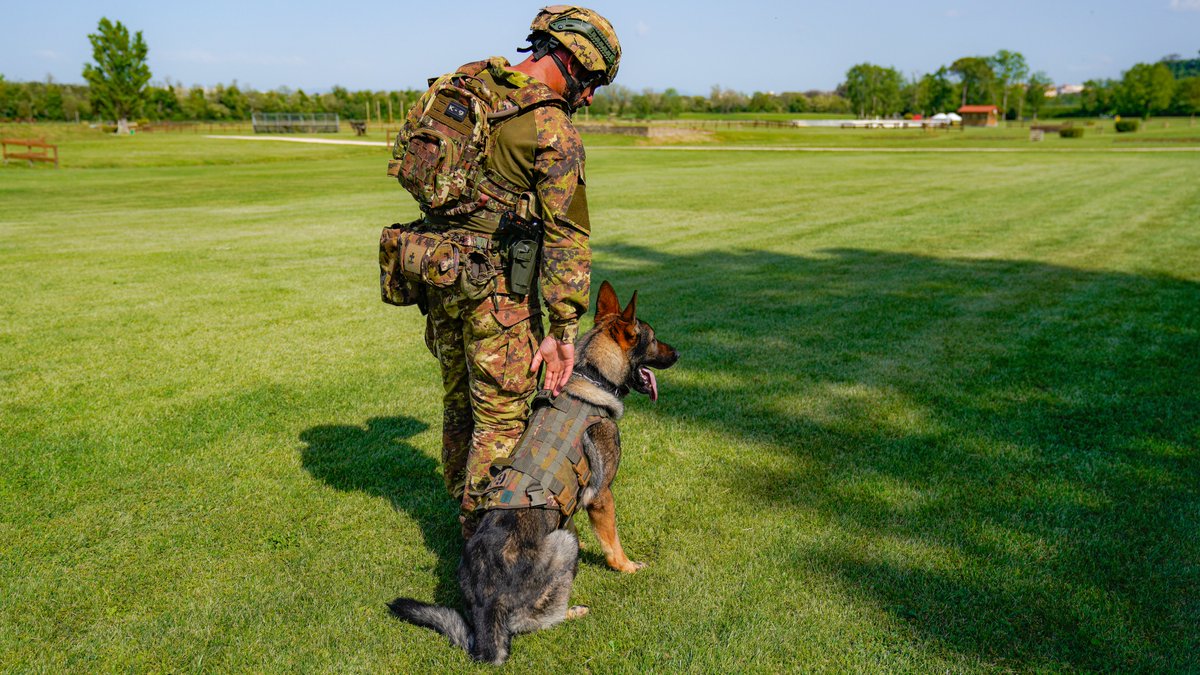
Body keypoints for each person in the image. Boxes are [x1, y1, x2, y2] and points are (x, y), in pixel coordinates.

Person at [400, 6, 621, 535]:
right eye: (589, 81)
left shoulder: (465, 85)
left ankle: (464, 509)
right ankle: (483, 547)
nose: (588, 96)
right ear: (568, 58)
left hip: (441, 275)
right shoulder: (552, 129)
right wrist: (564, 331)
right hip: (500, 297)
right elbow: (567, 237)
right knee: (502, 424)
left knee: (460, 404)